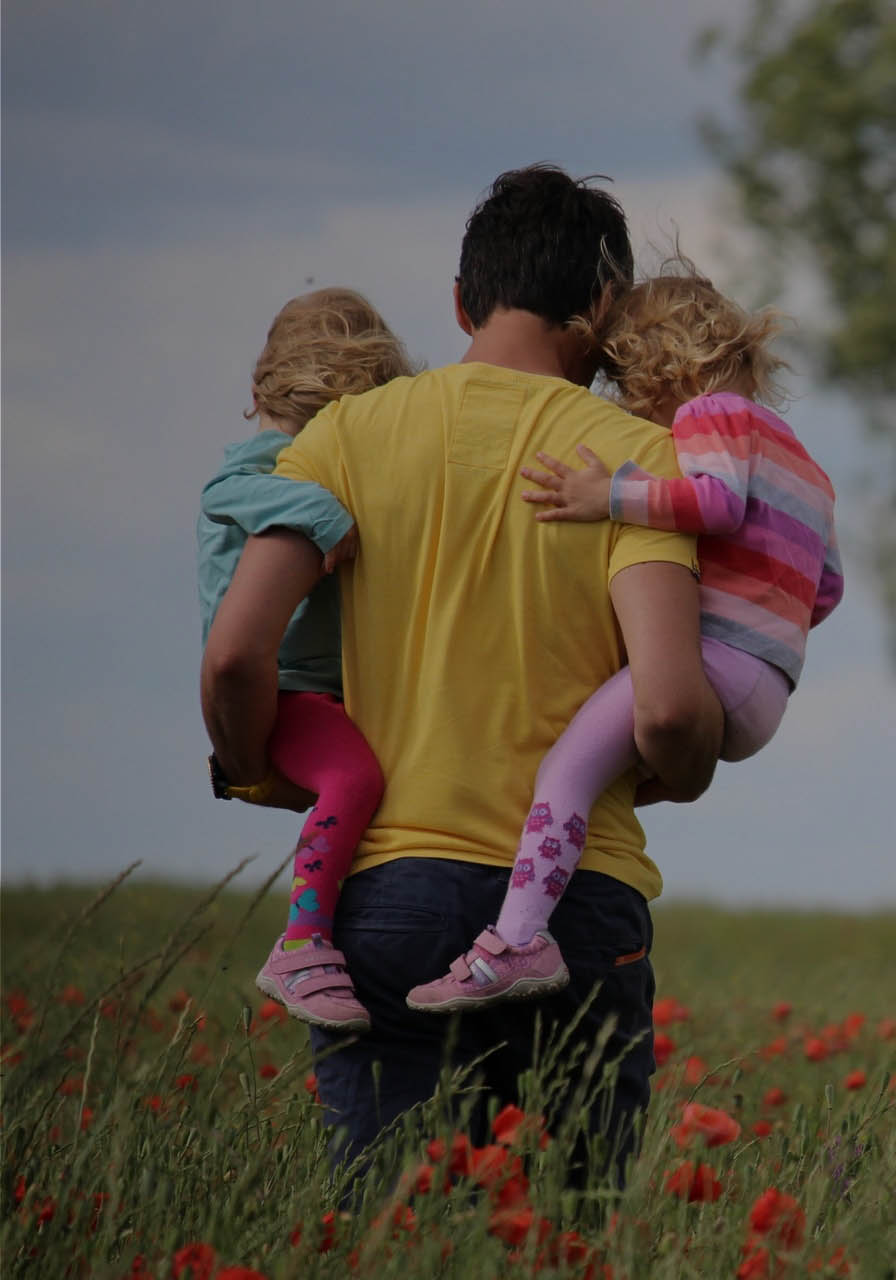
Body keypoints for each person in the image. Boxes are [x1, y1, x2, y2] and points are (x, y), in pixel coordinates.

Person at [201, 165, 722, 1176]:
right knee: (568, 1230)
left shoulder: (342, 436)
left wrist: (257, 767)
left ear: (459, 302)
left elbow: (233, 653)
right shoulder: (637, 462)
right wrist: (688, 766)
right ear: (605, 308)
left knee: (394, 1226)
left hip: (388, 896)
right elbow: (666, 708)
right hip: (576, 906)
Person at [406, 266, 843, 1012]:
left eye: (629, 386)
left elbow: (716, 504)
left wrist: (608, 494)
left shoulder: (710, 413)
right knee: (606, 774)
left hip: (716, 662)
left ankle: (517, 941)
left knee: (564, 772)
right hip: (769, 685)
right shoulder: (805, 462)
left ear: (662, 368)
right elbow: (826, 589)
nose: (634, 408)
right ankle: (541, 901)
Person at [197, 287, 413, 1032]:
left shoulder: (299, 456)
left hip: (319, 689)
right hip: (287, 689)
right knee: (355, 779)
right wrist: (324, 513)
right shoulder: (267, 464)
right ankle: (302, 942)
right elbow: (225, 491)